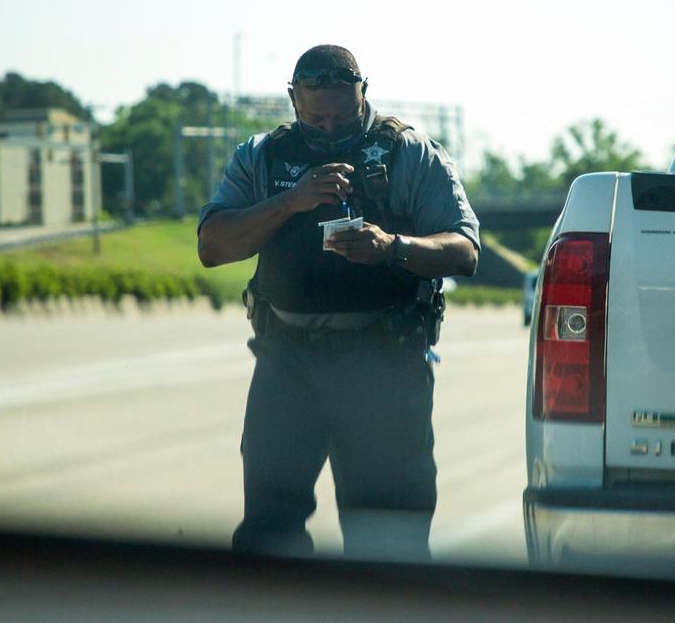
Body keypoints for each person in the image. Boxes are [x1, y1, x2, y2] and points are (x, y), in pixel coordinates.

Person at [197, 44, 479, 560]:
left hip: (383, 364)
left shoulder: (410, 153)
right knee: (267, 533)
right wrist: (291, 201)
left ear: (363, 93)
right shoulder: (262, 156)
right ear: (293, 100)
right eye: (315, 117)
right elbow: (213, 247)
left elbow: (464, 250)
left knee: (390, 541)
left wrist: (392, 247)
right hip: (286, 363)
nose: (329, 129)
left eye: (343, 117)